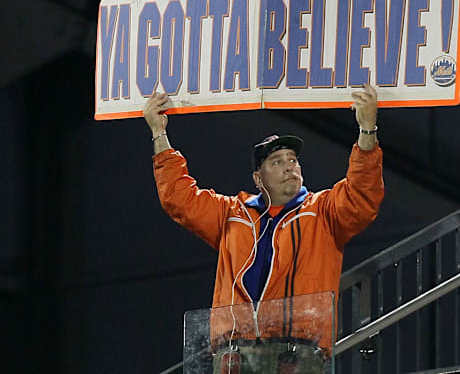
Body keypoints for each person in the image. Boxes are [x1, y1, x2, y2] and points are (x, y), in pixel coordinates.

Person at [143, 84, 384, 372]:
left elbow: (362, 195)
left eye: (293, 160)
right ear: (259, 178)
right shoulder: (232, 214)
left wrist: (367, 131)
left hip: (298, 351)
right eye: (277, 161)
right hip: (235, 353)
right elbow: (179, 199)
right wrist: (159, 133)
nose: (289, 167)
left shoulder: (322, 212)